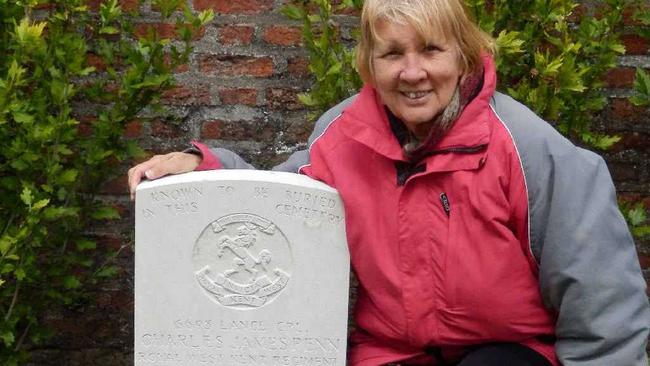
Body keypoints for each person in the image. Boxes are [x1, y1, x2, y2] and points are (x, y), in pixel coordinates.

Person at [128, 0, 650, 365]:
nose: (412, 71)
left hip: (509, 351)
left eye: (431, 50)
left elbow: (602, 297)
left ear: (464, 57)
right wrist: (204, 169)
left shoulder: (529, 149)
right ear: (369, 65)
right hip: (389, 355)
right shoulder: (342, 137)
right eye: (392, 54)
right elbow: (279, 201)